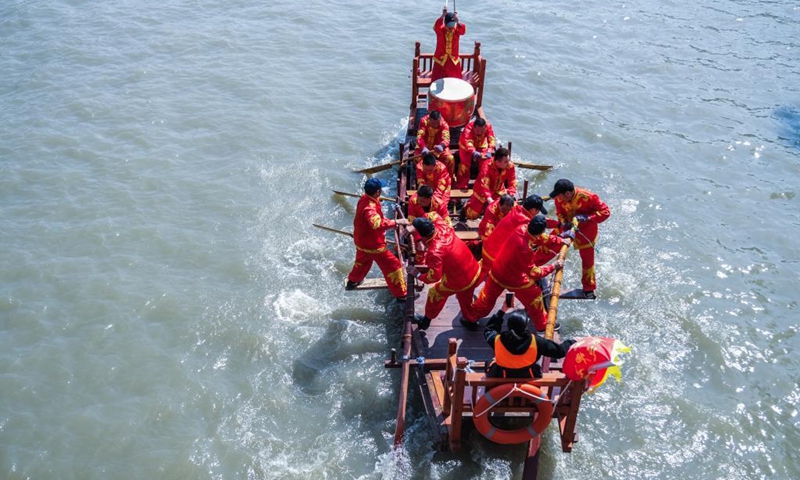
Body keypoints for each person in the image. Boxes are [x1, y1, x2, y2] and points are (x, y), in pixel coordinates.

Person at [472, 216, 568, 332]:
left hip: (497, 270)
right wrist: (553, 266)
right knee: (535, 295)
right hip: (513, 278)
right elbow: (534, 273)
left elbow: (541, 238)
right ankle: (542, 325)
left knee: (486, 299)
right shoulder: (525, 249)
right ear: (541, 231)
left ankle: (471, 317)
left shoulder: (521, 228)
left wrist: (559, 240)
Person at [407, 217, 482, 330]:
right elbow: (435, 215)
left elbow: (434, 277)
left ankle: (426, 321)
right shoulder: (443, 226)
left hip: (458, 279)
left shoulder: (434, 251)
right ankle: (471, 320)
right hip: (473, 268)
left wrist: (417, 274)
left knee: (435, 293)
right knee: (465, 296)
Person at [346, 178, 409, 301]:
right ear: (377, 192)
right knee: (394, 266)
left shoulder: (363, 199)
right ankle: (401, 295)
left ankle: (352, 282)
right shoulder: (370, 208)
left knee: (362, 262)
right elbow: (377, 224)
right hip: (374, 245)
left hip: (361, 240)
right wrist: (397, 221)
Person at [549, 179, 611, 299]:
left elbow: (605, 212)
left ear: (567, 193)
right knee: (549, 244)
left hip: (586, 231)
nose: (558, 199)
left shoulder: (589, 197)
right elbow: (559, 214)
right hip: (567, 227)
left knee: (588, 262)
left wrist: (588, 217)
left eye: (560, 195)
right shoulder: (559, 198)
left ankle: (589, 288)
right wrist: (563, 222)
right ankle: (531, 268)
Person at [484, 309, 576, 378]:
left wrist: (502, 310)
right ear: (525, 326)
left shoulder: (497, 340)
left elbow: (489, 330)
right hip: (529, 380)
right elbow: (560, 351)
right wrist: (573, 341)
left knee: (490, 361)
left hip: (501, 379)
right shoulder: (536, 341)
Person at [480, 194, 554, 274]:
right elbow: (541, 238)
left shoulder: (516, 209)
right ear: (533, 210)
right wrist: (559, 240)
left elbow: (542, 221)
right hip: (494, 257)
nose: (538, 213)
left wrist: (557, 224)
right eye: (538, 211)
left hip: (486, 249)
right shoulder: (525, 221)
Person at [462, 147, 516, 220]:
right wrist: (490, 199)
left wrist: (511, 194)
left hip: (498, 190)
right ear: (497, 162)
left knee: (505, 211)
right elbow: (485, 185)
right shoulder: (486, 166)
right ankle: (467, 205)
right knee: (472, 215)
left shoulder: (510, 166)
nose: (508, 163)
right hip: (481, 191)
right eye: (506, 162)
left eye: (508, 160)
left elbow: (512, 181)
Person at [456, 117, 496, 189]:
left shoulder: (488, 126)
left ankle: (482, 184)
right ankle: (462, 185)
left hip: (481, 145)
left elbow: (491, 139)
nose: (480, 133)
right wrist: (473, 151)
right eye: (478, 131)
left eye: (482, 131)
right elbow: (468, 142)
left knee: (485, 164)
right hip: (466, 147)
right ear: (474, 127)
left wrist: (489, 151)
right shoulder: (468, 129)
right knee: (464, 165)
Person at [415, 110, 456, 179]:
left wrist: (442, 146)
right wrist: (423, 147)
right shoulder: (423, 121)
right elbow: (420, 136)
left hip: (438, 149)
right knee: (417, 158)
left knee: (450, 158)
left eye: (437, 123)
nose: (435, 125)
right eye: (433, 123)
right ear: (429, 119)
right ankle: (422, 178)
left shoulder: (444, 124)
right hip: (424, 148)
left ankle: (448, 178)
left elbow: (446, 138)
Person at [431, 8, 466, 83]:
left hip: (453, 61)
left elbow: (463, 31)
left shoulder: (456, 31)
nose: (451, 27)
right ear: (445, 24)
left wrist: (457, 21)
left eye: (452, 25)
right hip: (441, 60)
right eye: (449, 25)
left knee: (455, 81)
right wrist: (442, 16)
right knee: (437, 81)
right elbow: (436, 26)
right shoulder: (440, 31)